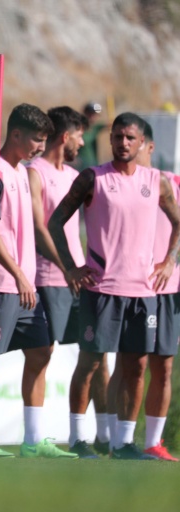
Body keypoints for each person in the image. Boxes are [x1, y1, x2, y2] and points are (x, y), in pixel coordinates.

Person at [48, 112, 180, 459]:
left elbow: (178, 223)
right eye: (118, 136)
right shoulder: (93, 178)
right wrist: (71, 268)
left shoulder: (157, 181)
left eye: (129, 138)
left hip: (143, 293)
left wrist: (169, 261)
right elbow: (55, 221)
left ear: (142, 143)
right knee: (90, 364)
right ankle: (78, 439)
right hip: (101, 290)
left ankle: (124, 443)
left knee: (136, 368)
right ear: (110, 140)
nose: (123, 142)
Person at [0, 103, 77, 458]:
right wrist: (18, 275)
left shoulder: (22, 173)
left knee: (41, 351)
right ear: (15, 134)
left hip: (23, 286)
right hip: (0, 283)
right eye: (37, 140)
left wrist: (55, 269)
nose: (41, 147)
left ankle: (33, 440)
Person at [25, 106, 110, 458]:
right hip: (49, 279)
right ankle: (34, 439)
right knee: (41, 356)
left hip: (80, 280)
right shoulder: (34, 172)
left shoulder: (76, 176)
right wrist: (66, 268)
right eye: (79, 135)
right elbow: (38, 227)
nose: (83, 142)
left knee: (97, 355)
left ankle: (104, 435)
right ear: (65, 136)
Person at [136, 122, 179, 461]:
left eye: (133, 140)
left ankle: (153, 442)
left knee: (163, 367)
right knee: (131, 366)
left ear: (149, 147)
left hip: (170, 290)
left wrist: (170, 263)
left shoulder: (173, 182)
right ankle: (114, 438)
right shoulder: (111, 181)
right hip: (133, 287)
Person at [77, 102, 106, 170]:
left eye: (95, 115)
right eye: (91, 114)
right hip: (80, 166)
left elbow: (111, 124)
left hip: (93, 164)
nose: (93, 117)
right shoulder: (77, 128)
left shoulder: (95, 128)